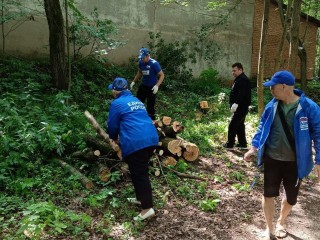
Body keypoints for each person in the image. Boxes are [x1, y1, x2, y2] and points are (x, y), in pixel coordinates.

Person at [244, 70, 320, 239]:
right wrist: (254, 148)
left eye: (273, 87)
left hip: (295, 162)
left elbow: (319, 134)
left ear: (284, 86)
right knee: (268, 194)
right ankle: (269, 228)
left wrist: (318, 160)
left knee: (291, 198)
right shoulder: (272, 106)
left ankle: (281, 222)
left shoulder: (309, 107)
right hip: (272, 159)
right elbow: (262, 127)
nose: (270, 90)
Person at [107, 77, 159, 221]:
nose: (112, 92)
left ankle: (147, 209)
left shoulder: (117, 103)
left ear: (116, 91)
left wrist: (113, 138)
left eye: (113, 90)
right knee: (139, 171)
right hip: (152, 139)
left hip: (137, 141)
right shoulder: (136, 100)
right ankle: (141, 199)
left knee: (140, 174)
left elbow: (112, 125)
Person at [130, 47, 164, 120]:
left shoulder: (154, 64)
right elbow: (140, 72)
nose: (142, 59)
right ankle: (137, 116)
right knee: (138, 102)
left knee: (150, 105)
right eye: (141, 58)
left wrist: (157, 86)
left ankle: (152, 120)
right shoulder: (141, 62)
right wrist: (134, 81)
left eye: (144, 58)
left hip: (152, 87)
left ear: (148, 56)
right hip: (144, 85)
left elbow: (162, 75)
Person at [223, 62, 251, 149]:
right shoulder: (239, 78)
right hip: (240, 106)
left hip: (241, 107)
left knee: (233, 125)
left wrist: (236, 103)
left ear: (240, 70)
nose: (233, 72)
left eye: (234, 71)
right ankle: (243, 144)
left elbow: (242, 93)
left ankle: (230, 144)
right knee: (239, 125)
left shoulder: (243, 79)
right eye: (232, 71)